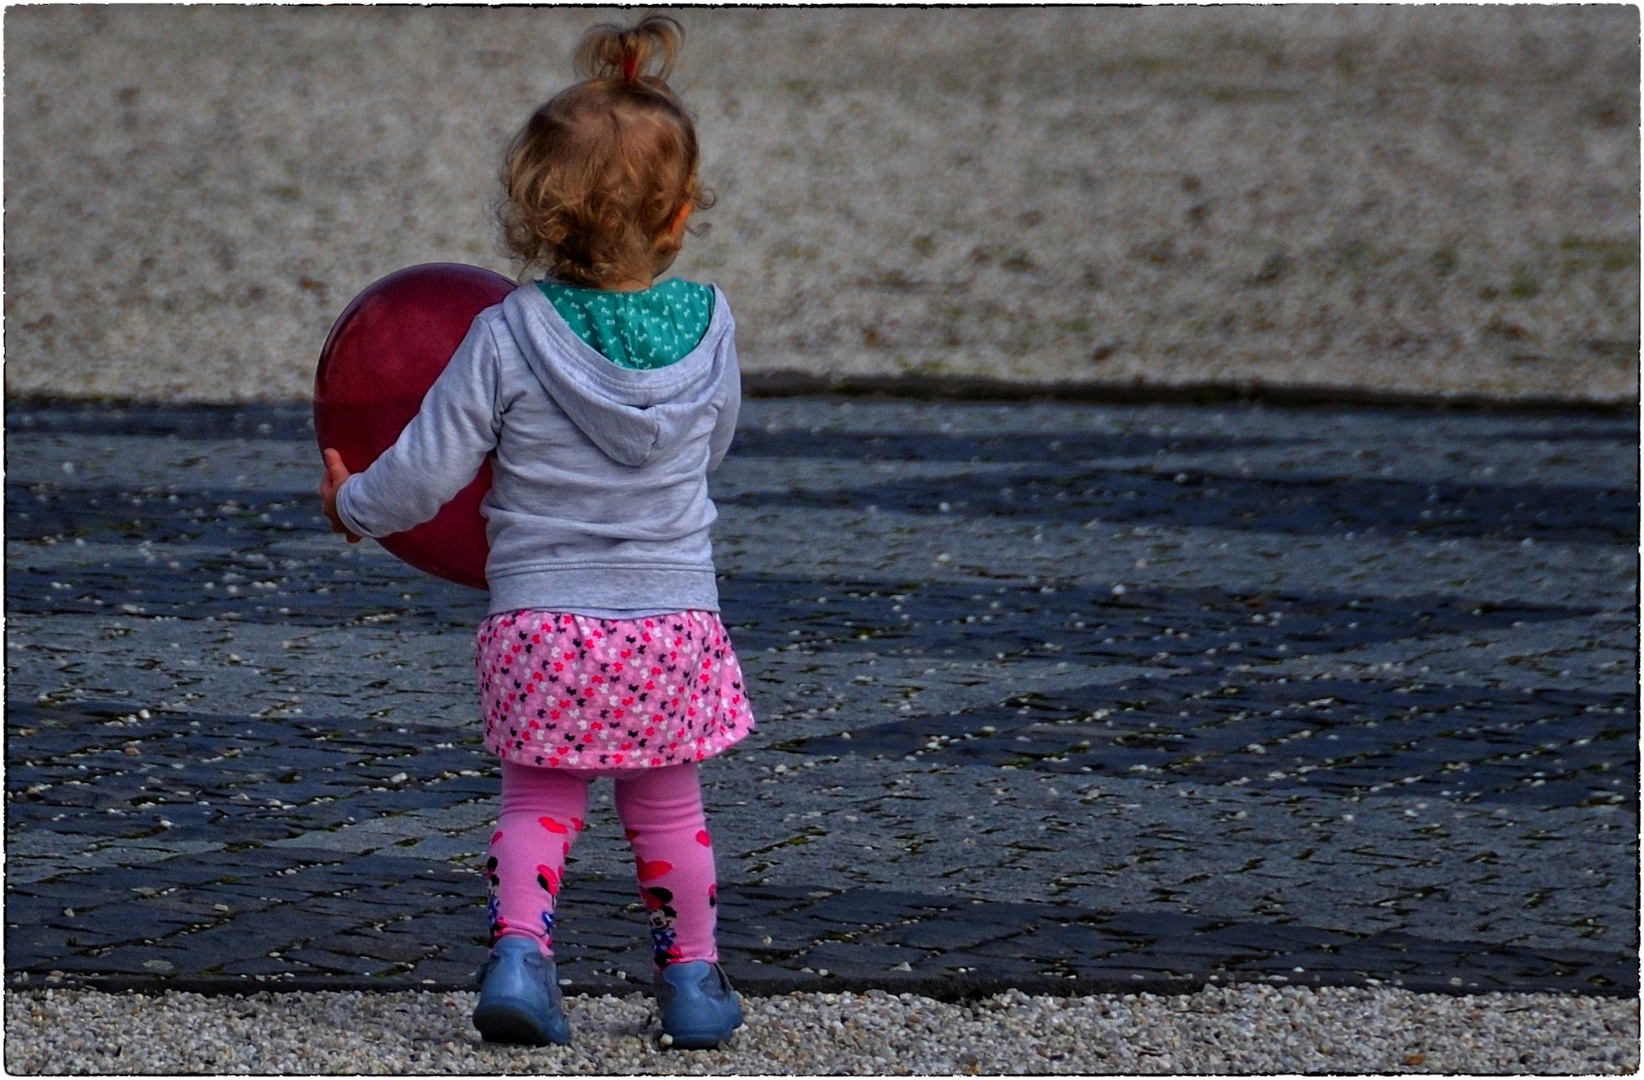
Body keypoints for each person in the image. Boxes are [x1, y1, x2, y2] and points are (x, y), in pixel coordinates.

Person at [319, 15, 751, 1050]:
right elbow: (713, 449)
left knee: (538, 803)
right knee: (668, 813)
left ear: (535, 219)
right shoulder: (713, 327)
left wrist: (353, 505)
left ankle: (521, 955)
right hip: (670, 622)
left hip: (544, 625)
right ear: (682, 214)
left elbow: (427, 470)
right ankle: (691, 982)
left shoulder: (505, 334)